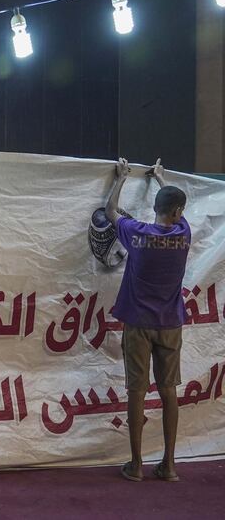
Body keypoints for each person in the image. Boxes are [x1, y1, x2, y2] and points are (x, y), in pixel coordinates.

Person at [106, 158, 190, 483]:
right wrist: (160, 178)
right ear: (179, 212)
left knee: (137, 392)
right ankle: (169, 465)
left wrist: (121, 178)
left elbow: (110, 211)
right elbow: (171, 207)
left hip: (138, 324)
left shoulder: (136, 234)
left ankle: (136, 465)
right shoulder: (184, 234)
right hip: (170, 325)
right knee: (169, 391)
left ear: (155, 208)